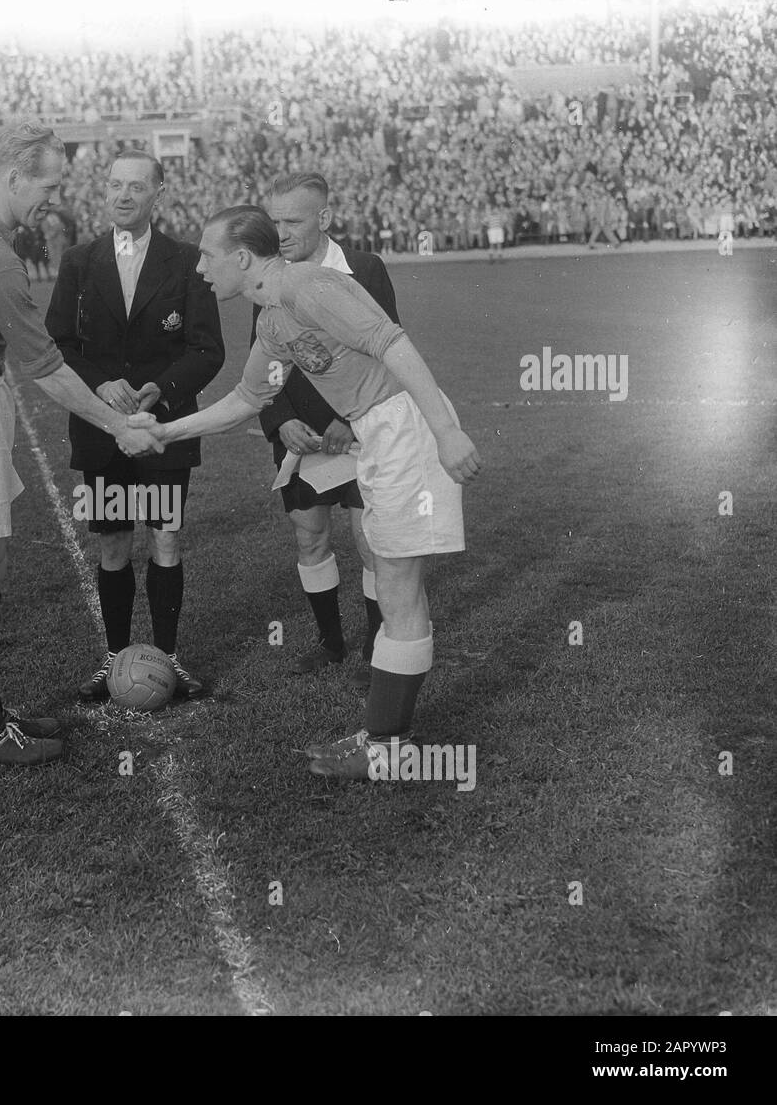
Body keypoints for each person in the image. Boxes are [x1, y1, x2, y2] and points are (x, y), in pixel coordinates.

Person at [138, 206, 482, 780]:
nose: (199, 269)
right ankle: (386, 741)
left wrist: (447, 433)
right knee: (398, 584)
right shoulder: (273, 320)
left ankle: (385, 746)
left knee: (398, 586)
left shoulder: (308, 286)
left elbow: (392, 342)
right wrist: (165, 431)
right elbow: (247, 400)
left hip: (407, 426)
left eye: (207, 256)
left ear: (243, 258)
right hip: (379, 432)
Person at [0, 122, 162, 769]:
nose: (54, 197)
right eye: (48, 184)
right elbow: (48, 371)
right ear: (14, 177)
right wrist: (118, 425)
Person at [45, 150, 224, 702]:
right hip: (102, 429)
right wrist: (99, 385)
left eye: (137, 187)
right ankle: (112, 658)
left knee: (165, 536)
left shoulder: (188, 259)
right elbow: (59, 343)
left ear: (159, 192)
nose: (123, 196)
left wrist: (162, 389)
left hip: (163, 427)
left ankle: (169, 657)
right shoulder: (79, 261)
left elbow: (207, 349)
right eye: (115, 186)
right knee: (115, 543)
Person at [256, 173, 401, 690]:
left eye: (292, 221)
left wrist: (350, 417)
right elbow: (267, 364)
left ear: (325, 218)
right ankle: (330, 642)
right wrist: (281, 421)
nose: (280, 232)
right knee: (310, 536)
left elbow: (387, 349)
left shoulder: (364, 269)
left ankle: (376, 644)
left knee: (369, 540)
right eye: (274, 222)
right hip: (301, 435)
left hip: (360, 429)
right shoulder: (270, 278)